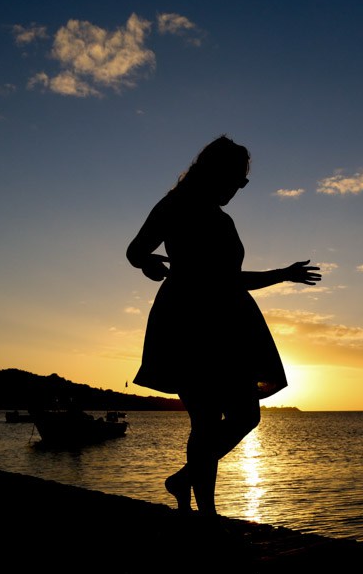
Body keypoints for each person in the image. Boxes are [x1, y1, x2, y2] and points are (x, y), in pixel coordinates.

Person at [127, 135, 321, 517]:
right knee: (206, 419)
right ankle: (206, 511)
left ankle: (186, 482)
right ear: (215, 174)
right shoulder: (175, 205)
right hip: (188, 319)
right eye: (236, 179)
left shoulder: (222, 218)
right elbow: (136, 250)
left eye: (242, 182)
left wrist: (282, 274)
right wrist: (148, 263)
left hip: (229, 322)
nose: (238, 188)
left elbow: (230, 278)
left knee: (243, 416)